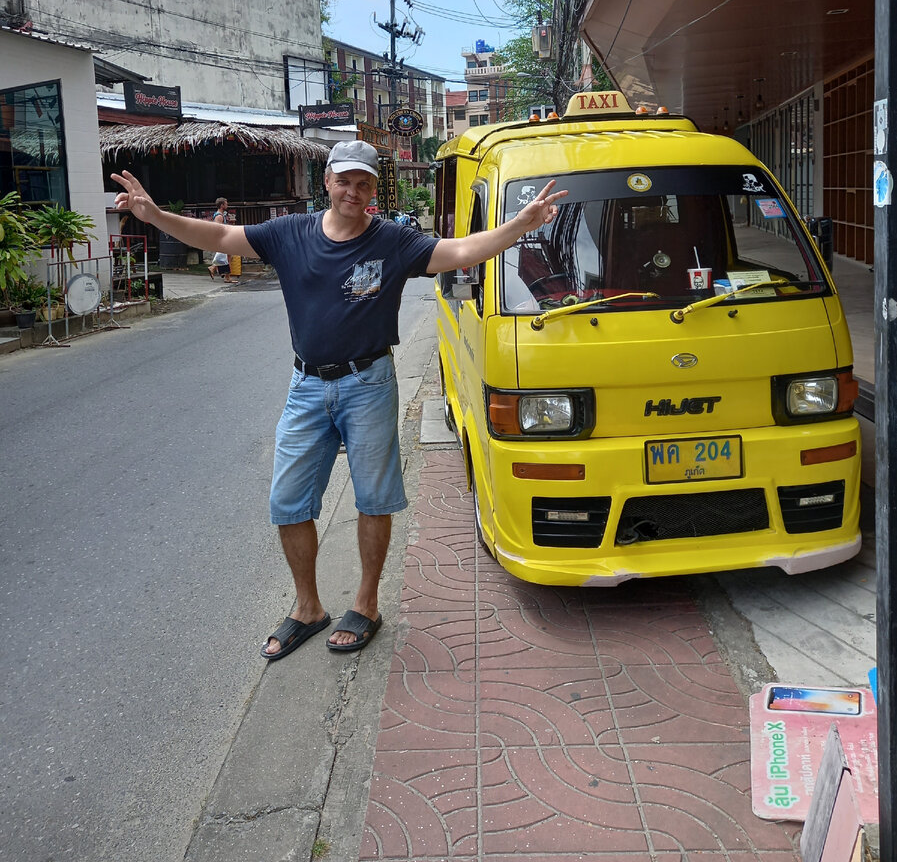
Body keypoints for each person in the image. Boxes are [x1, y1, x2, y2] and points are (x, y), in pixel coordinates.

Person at [112, 141, 565, 659]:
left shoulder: (394, 242)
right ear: (327, 181)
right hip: (305, 386)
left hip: (367, 384)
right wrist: (154, 215)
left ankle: (367, 604)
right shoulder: (289, 233)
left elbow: (461, 251)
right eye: (345, 180)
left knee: (374, 499)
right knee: (288, 503)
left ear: (375, 190)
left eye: (365, 182)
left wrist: (519, 226)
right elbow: (218, 235)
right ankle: (307, 607)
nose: (354, 191)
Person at [207, 197, 235, 281]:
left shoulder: (221, 215)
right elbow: (217, 229)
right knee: (226, 257)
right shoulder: (219, 216)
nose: (227, 205)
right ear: (222, 205)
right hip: (222, 238)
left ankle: (216, 269)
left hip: (223, 238)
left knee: (225, 257)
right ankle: (225, 275)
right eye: (226, 204)